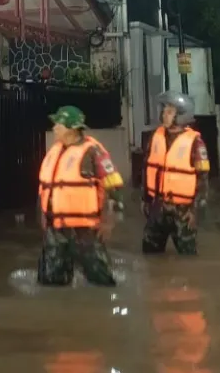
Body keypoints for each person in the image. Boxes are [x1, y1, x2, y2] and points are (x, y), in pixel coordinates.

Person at [37, 105, 125, 287]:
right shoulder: (56, 151)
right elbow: (46, 189)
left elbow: (115, 188)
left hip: (85, 230)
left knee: (101, 282)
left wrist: (109, 222)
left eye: (58, 125)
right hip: (56, 229)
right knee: (50, 282)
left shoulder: (93, 152)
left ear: (72, 129)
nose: (54, 128)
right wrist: (43, 216)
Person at [141, 90, 210, 255]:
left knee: (188, 257)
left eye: (169, 111)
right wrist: (145, 199)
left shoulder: (196, 143)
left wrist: (195, 211)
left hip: (183, 210)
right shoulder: (155, 137)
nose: (164, 114)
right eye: (164, 110)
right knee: (150, 254)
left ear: (181, 115)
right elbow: (147, 169)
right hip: (157, 206)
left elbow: (203, 179)